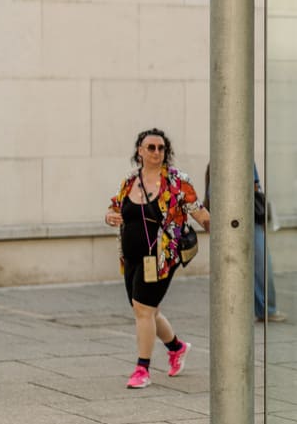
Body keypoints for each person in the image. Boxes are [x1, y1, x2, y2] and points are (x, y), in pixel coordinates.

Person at [104, 128, 209, 389]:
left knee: (143, 309)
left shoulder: (176, 181)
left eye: (161, 148)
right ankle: (176, 347)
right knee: (147, 311)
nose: (156, 152)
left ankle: (142, 369)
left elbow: (198, 211)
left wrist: (226, 230)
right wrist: (109, 216)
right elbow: (115, 207)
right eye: (151, 147)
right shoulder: (130, 181)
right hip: (130, 257)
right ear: (140, 151)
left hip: (162, 257)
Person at [204, 163, 287, 323]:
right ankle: (230, 311)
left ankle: (266, 310)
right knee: (229, 268)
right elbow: (214, 194)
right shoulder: (219, 159)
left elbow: (255, 189)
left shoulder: (248, 161)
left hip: (250, 220)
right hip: (227, 222)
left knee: (262, 265)